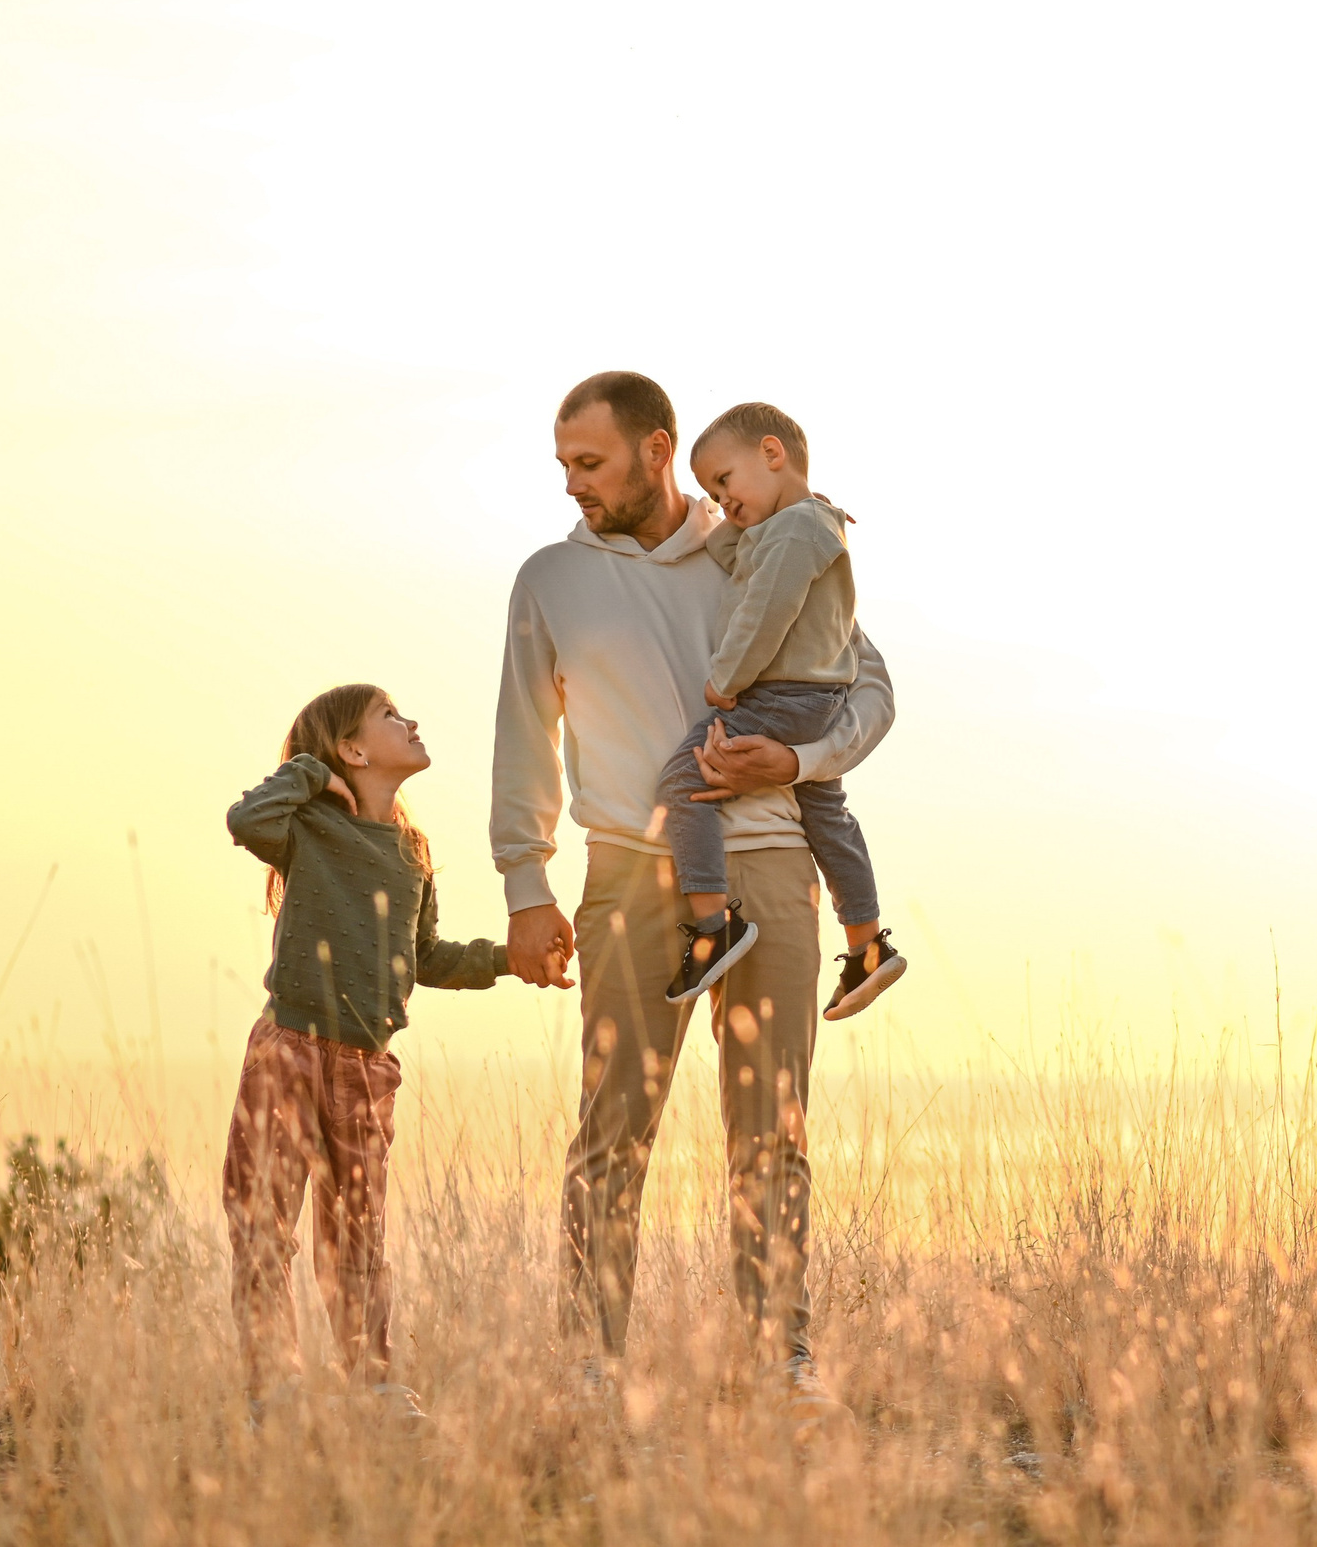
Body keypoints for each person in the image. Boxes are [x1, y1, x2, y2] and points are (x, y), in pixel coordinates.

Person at [491, 370, 895, 1429]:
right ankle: (589, 1366)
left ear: (656, 448)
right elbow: (523, 736)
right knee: (612, 1126)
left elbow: (872, 686)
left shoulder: (759, 546)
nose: (573, 484)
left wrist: (801, 755)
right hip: (627, 869)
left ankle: (777, 1357)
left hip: (770, 861)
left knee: (775, 1126)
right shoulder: (549, 579)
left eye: (592, 462)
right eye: (564, 464)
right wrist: (524, 883)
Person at [221, 683, 523, 1427]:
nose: (411, 720)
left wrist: (511, 958)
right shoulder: (307, 825)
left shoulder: (412, 852)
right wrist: (308, 774)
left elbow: (429, 956)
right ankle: (276, 1391)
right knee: (263, 1223)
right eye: (390, 716)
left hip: (366, 1066)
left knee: (358, 1232)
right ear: (352, 750)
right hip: (288, 1047)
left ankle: (373, 1384)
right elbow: (244, 817)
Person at [655, 400, 907, 1021]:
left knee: (683, 779)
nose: (721, 497)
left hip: (780, 696)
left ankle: (715, 928)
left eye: (724, 480)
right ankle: (866, 944)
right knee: (825, 808)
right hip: (818, 700)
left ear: (772, 454)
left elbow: (765, 613)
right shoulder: (790, 527)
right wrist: (713, 516)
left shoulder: (797, 530)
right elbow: (730, 555)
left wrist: (725, 680)